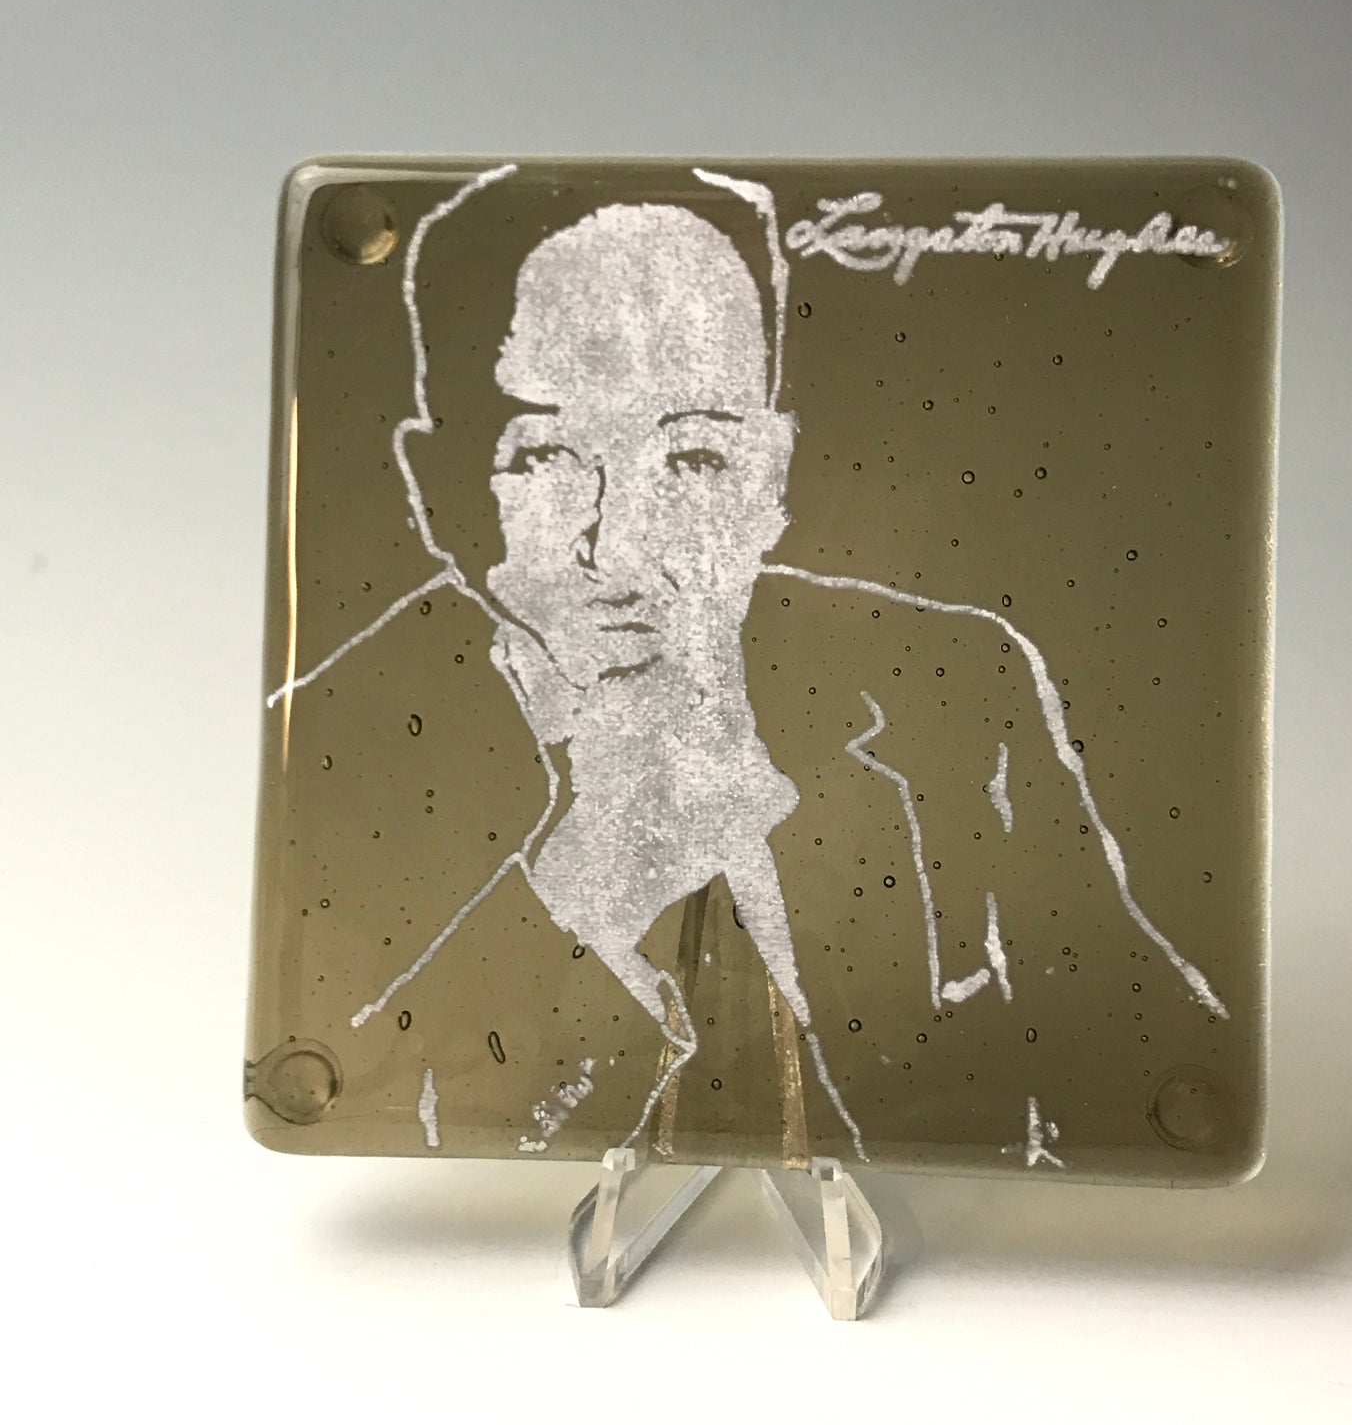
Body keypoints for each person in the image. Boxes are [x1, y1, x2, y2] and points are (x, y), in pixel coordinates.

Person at [273, 166, 1242, 1176]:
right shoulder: (341, 758)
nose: (621, 544)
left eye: (693, 461)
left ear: (767, 482)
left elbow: (1133, 1061)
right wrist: (597, 875)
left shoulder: (951, 685)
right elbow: (388, 1095)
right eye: (549, 458)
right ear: (435, 490)